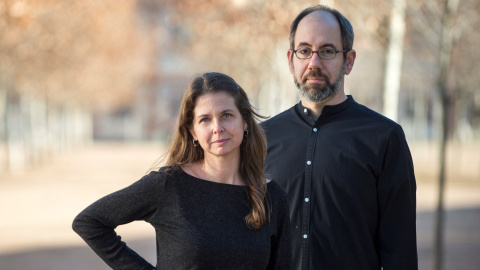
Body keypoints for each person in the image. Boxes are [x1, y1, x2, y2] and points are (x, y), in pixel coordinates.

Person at [72, 72, 292, 270]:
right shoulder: (169, 186)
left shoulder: (271, 197)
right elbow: (90, 222)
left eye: (226, 115)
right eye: (205, 119)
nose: (217, 127)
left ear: (244, 122)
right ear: (193, 132)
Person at [261, 5, 418, 270]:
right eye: (304, 50)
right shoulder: (262, 138)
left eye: (327, 51)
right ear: (290, 60)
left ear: (349, 60)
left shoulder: (384, 138)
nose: (314, 63)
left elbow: (399, 249)